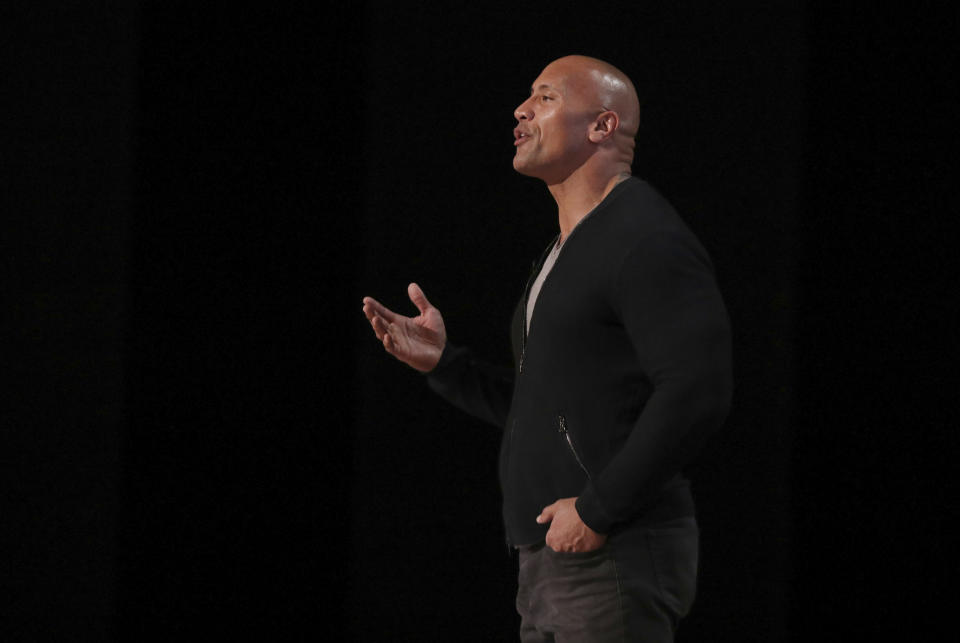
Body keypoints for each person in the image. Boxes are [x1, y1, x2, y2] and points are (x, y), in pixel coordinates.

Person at [362, 55, 732, 642]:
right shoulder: (568, 249)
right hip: (551, 560)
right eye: (527, 96)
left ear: (603, 126)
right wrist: (445, 364)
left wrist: (597, 509)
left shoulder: (644, 235)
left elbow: (698, 389)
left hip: (612, 554)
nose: (521, 108)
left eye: (546, 97)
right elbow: (547, 408)